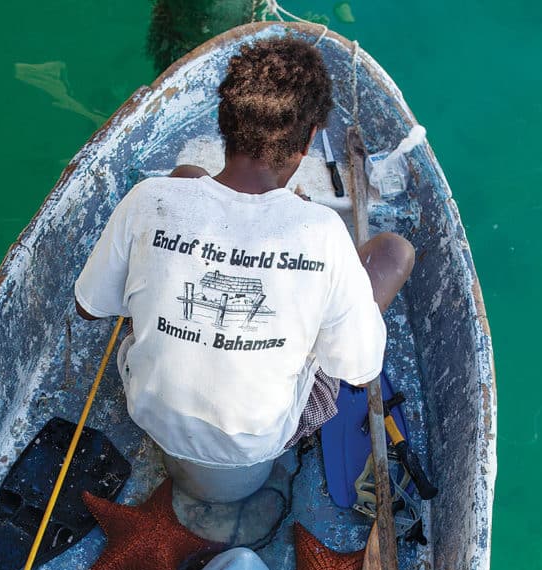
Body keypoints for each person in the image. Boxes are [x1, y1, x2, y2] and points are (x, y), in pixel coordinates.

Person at [75, 37, 413, 494]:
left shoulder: (150, 200)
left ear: (222, 123)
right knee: (393, 253)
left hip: (151, 409)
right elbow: (359, 368)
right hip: (259, 443)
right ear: (311, 137)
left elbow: (90, 309)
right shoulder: (323, 232)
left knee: (186, 179)